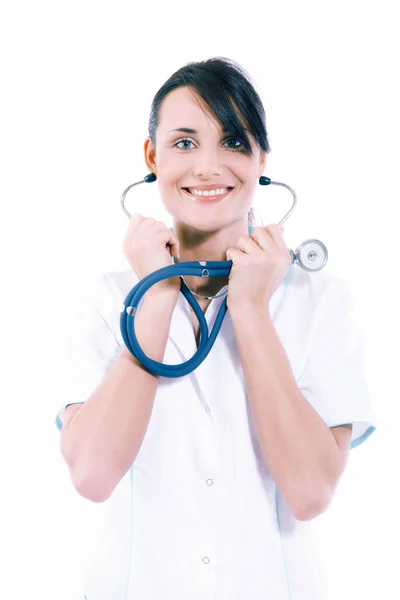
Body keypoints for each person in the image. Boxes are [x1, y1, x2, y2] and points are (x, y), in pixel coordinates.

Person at [55, 57, 377, 600]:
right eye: (183, 143)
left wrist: (251, 310)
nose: (207, 166)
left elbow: (309, 491)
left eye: (232, 141)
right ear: (151, 157)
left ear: (261, 158)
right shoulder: (111, 299)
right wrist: (156, 295)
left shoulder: (320, 299)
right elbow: (92, 476)